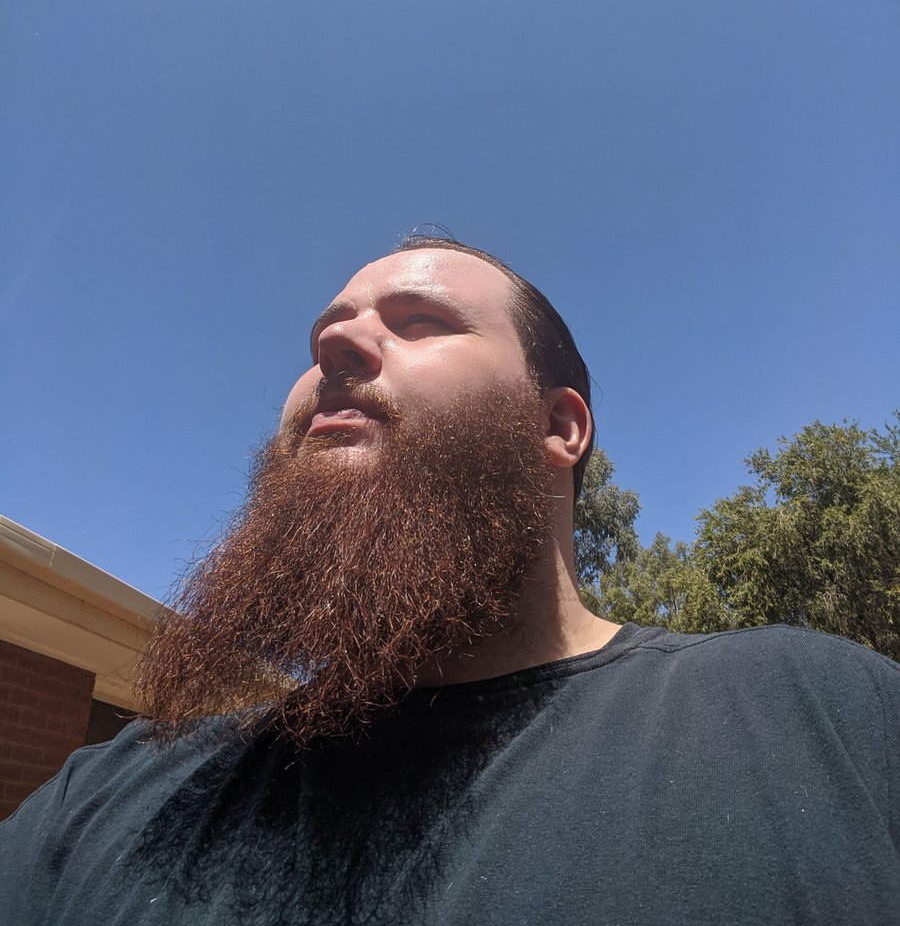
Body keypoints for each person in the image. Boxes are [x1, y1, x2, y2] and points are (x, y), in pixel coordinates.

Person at [1, 237, 897, 925]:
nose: (334, 342)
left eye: (419, 320)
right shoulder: (105, 798)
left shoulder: (821, 718)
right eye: (324, 333)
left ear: (559, 427)